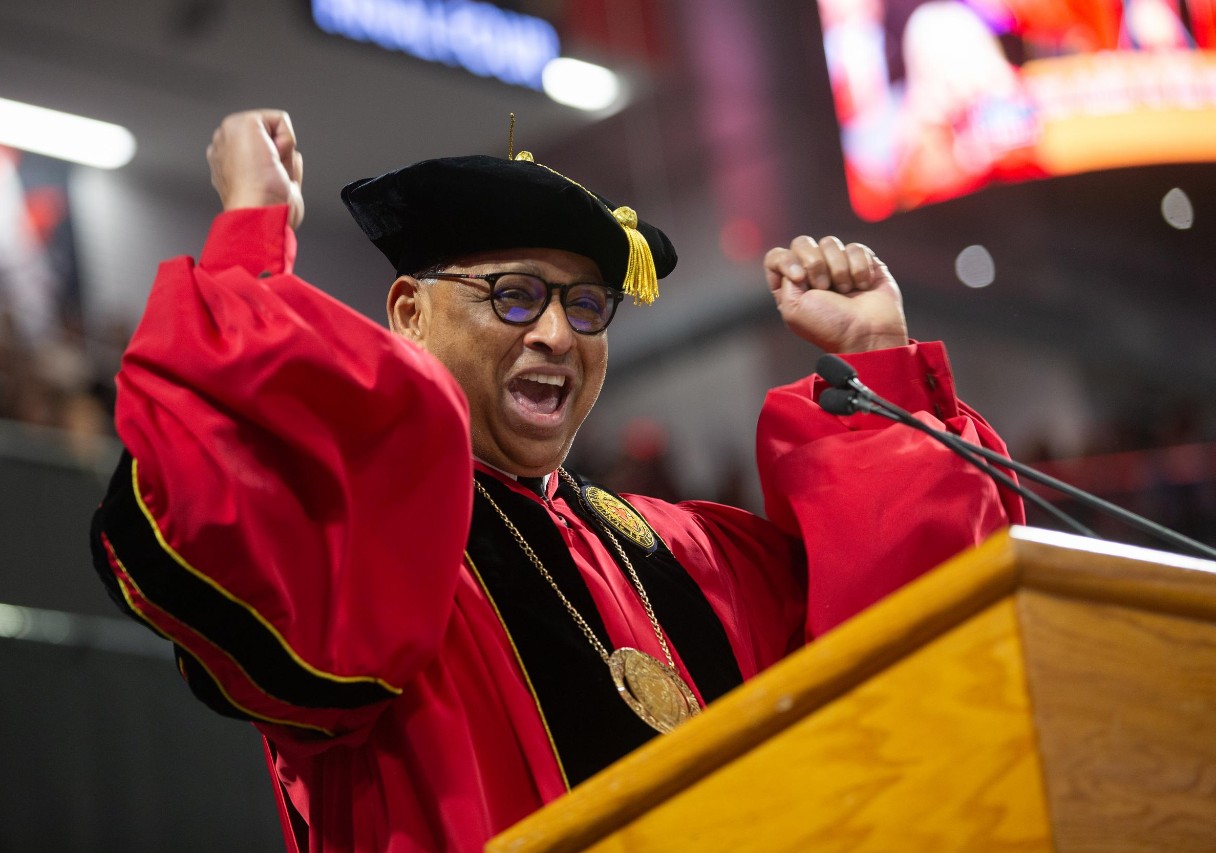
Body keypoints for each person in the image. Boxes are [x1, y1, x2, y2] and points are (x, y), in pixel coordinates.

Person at [90, 110, 1022, 852]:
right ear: (408, 313)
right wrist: (253, 230)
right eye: (514, 294)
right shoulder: (369, 542)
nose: (557, 335)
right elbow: (212, 492)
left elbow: (912, 646)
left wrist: (875, 362)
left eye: (585, 305)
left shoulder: (687, 554)